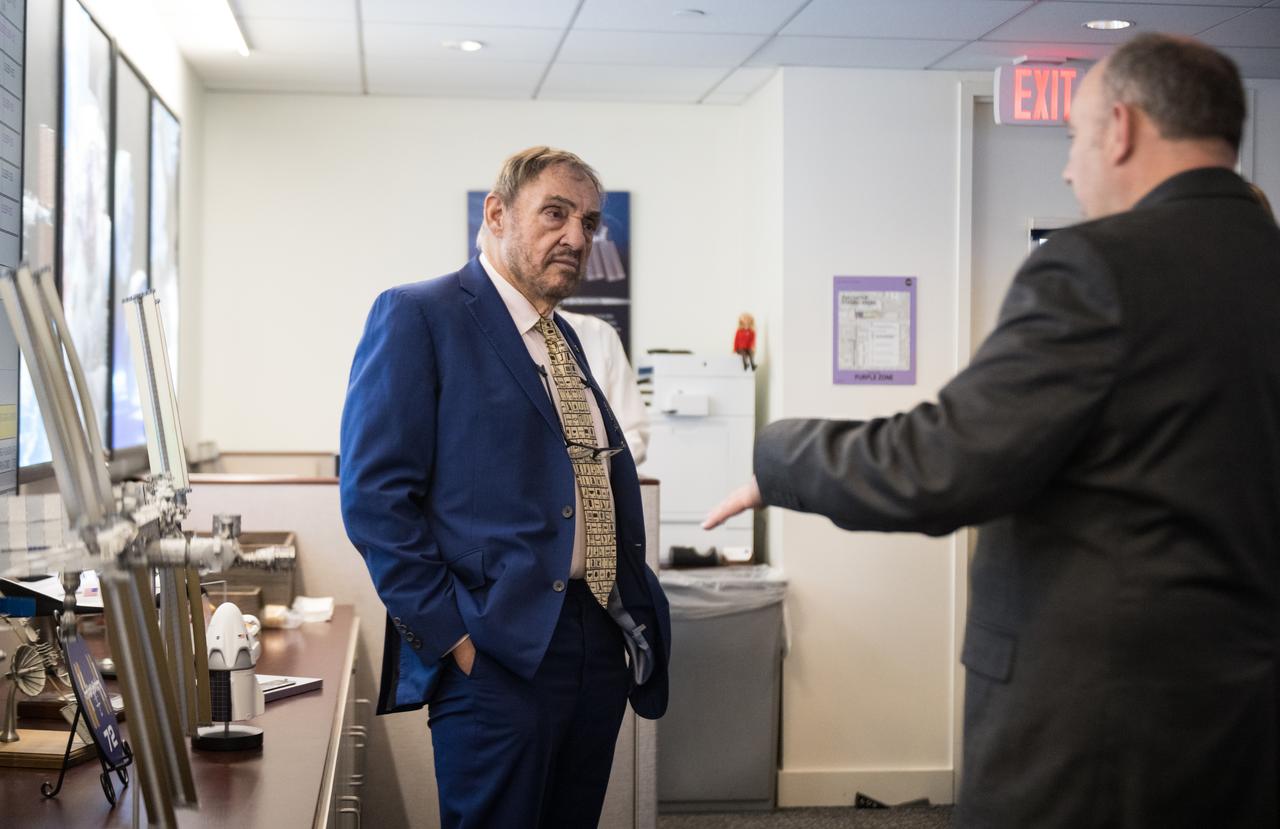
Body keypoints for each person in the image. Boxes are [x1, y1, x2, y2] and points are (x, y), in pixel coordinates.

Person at [707, 34, 1280, 828]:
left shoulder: (1098, 267)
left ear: (1121, 128)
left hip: (1096, 732)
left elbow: (939, 463)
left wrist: (776, 455)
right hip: (1240, 714)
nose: (1069, 167)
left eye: (1075, 137)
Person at [340, 146, 670, 828]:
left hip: (594, 635)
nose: (576, 236)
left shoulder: (565, 339)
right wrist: (454, 638)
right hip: (495, 649)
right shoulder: (419, 315)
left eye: (589, 222)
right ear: (497, 214)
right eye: (555, 213)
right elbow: (374, 498)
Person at [559, 310, 651, 464]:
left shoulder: (598, 333)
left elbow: (632, 435)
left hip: (597, 481)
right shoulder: (505, 338)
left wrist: (595, 469)